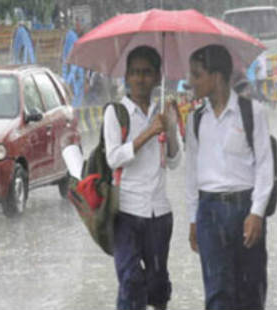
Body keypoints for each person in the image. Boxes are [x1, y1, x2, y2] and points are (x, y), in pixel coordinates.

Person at [185, 44, 273, 310]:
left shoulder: (252, 112)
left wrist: (257, 213)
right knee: (217, 294)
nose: (190, 82)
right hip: (209, 214)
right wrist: (193, 219)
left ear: (217, 76)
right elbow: (191, 173)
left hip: (245, 210)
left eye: (197, 75)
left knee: (251, 291)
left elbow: (265, 166)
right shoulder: (195, 119)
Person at [104, 46, 181, 310]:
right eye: (135, 72)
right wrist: (147, 134)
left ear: (158, 77)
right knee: (131, 279)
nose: (140, 78)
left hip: (159, 214)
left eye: (147, 72)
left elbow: (174, 161)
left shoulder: (164, 111)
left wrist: (169, 129)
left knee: (158, 284)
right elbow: (113, 158)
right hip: (125, 212)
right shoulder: (115, 113)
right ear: (126, 76)